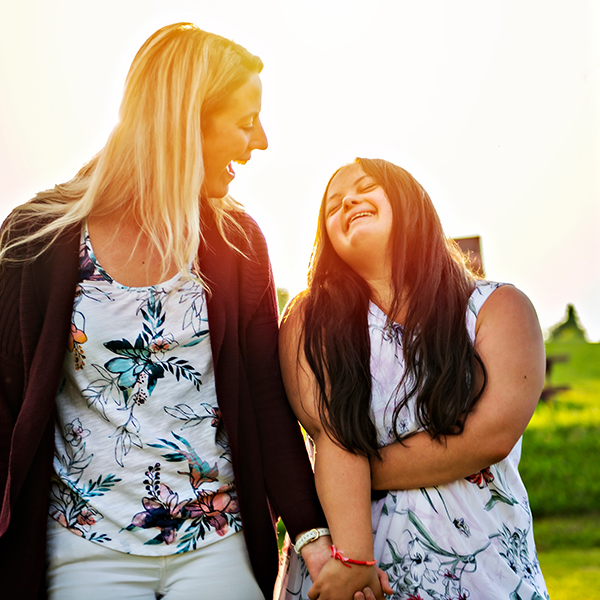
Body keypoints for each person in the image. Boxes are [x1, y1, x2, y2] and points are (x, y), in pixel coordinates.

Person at [0, 22, 339, 600]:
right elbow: (6, 394)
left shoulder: (239, 243)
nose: (259, 142)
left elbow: (264, 397)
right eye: (243, 121)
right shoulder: (37, 238)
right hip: (83, 550)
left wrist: (313, 538)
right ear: (187, 119)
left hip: (216, 546)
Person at [276, 158, 549, 600]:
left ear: (408, 200)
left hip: (485, 575)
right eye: (333, 205)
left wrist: (350, 474)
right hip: (354, 579)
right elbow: (330, 433)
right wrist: (354, 562)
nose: (348, 201)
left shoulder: (498, 307)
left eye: (366, 187)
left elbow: (490, 437)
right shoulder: (308, 321)